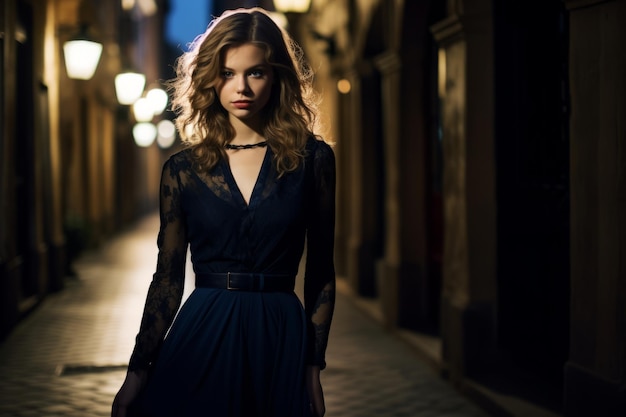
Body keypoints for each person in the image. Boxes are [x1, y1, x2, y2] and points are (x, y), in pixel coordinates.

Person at [111, 7, 336, 417]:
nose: (241, 87)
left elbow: (321, 269)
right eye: (228, 73)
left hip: (281, 333)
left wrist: (313, 366)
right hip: (205, 328)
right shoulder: (181, 171)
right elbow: (167, 277)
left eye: (256, 72)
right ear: (211, 78)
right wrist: (137, 371)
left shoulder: (313, 160)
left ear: (277, 76)